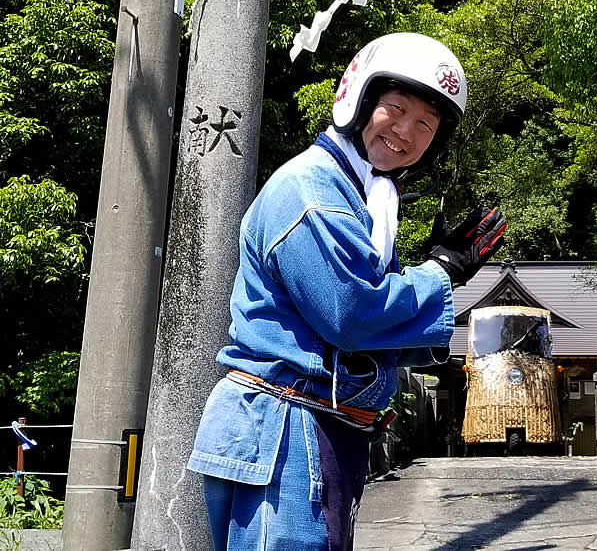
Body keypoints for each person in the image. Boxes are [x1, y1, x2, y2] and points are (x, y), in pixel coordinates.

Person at [187, 32, 506, 551]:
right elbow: (350, 312)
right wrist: (439, 272)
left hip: (307, 423)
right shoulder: (313, 191)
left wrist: (432, 278)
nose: (406, 131)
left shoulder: (365, 194)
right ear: (358, 100)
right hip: (287, 424)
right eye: (395, 109)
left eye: (426, 123)